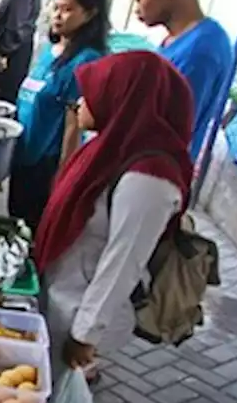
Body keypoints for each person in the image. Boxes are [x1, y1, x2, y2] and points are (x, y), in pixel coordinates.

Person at [35, 51, 194, 379]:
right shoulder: (111, 146)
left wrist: (85, 335)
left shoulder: (149, 177)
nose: (81, 101)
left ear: (123, 97)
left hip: (80, 308)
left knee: (55, 397)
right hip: (62, 293)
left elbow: (124, 261)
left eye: (92, 92)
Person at [9, 0, 108, 228]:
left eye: (67, 9)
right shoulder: (50, 51)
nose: (57, 15)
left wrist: (63, 178)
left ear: (91, 13)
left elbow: (73, 125)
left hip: (46, 165)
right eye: (55, 8)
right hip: (23, 155)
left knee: (33, 229)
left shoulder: (86, 61)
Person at [124, 0, 233, 160]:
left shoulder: (201, 50)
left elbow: (171, 129)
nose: (136, 9)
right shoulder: (181, 39)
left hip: (156, 169)